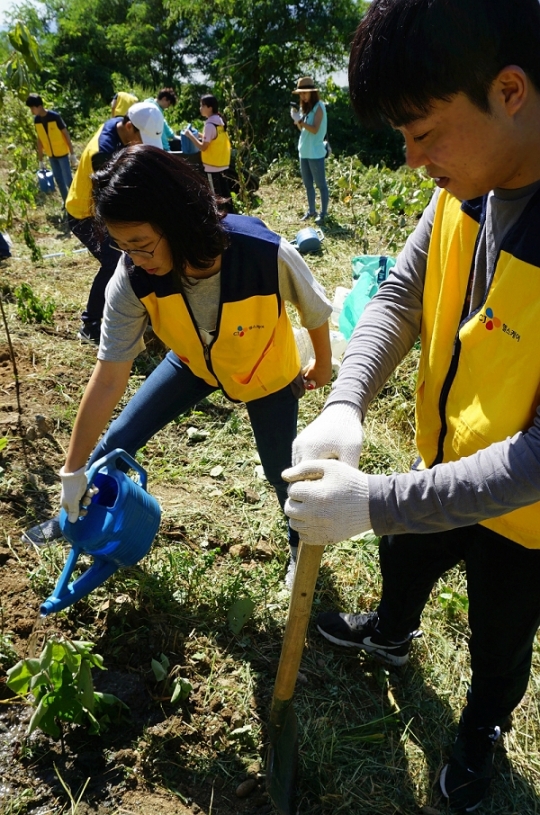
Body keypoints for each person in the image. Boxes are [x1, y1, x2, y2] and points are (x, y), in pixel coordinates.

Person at [283, 0, 540, 811]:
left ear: (509, 90)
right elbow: (398, 293)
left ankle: (481, 731)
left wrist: (374, 501)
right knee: (406, 553)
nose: (410, 158)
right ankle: (391, 633)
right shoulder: (467, 184)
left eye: (423, 131)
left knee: (502, 636)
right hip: (446, 454)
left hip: (526, 511)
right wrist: (348, 402)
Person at [58, 145, 332, 589]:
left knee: (281, 468)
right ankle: (80, 519)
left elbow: (315, 309)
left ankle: (300, 545)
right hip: (194, 364)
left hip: (265, 371)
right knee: (118, 441)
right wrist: (73, 473)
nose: (135, 259)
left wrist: (322, 361)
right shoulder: (132, 277)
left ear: (176, 219)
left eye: (142, 245)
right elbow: (109, 376)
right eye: (122, 246)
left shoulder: (262, 252)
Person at [65, 101, 164, 344]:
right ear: (130, 126)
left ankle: (145, 312)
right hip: (84, 214)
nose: (142, 145)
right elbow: (112, 203)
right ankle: (90, 325)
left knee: (134, 256)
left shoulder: (118, 126)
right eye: (142, 138)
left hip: (100, 209)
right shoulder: (104, 153)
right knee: (114, 262)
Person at [25, 93, 77, 204]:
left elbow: (66, 134)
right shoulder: (37, 120)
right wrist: (40, 160)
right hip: (51, 155)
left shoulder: (55, 117)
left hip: (62, 153)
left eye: (32, 108)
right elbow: (40, 139)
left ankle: (76, 201)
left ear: (39, 106)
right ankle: (66, 202)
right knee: (59, 180)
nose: (31, 111)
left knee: (68, 180)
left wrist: (72, 154)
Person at [290, 77, 329, 225]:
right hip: (304, 151)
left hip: (315, 152)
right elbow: (303, 130)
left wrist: (300, 121)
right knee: (308, 185)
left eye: (304, 93)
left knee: (321, 184)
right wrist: (296, 120)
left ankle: (323, 213)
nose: (302, 96)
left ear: (312, 93)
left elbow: (314, 129)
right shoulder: (305, 107)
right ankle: (311, 210)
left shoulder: (319, 106)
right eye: (300, 94)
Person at [182, 95, 233, 207]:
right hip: (222, 163)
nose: (200, 108)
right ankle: (232, 215)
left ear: (209, 108)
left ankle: (221, 219)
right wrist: (199, 134)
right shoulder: (219, 121)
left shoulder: (209, 125)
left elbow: (203, 147)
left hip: (212, 166)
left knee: (216, 196)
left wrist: (190, 136)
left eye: (202, 105)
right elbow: (213, 139)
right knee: (225, 193)